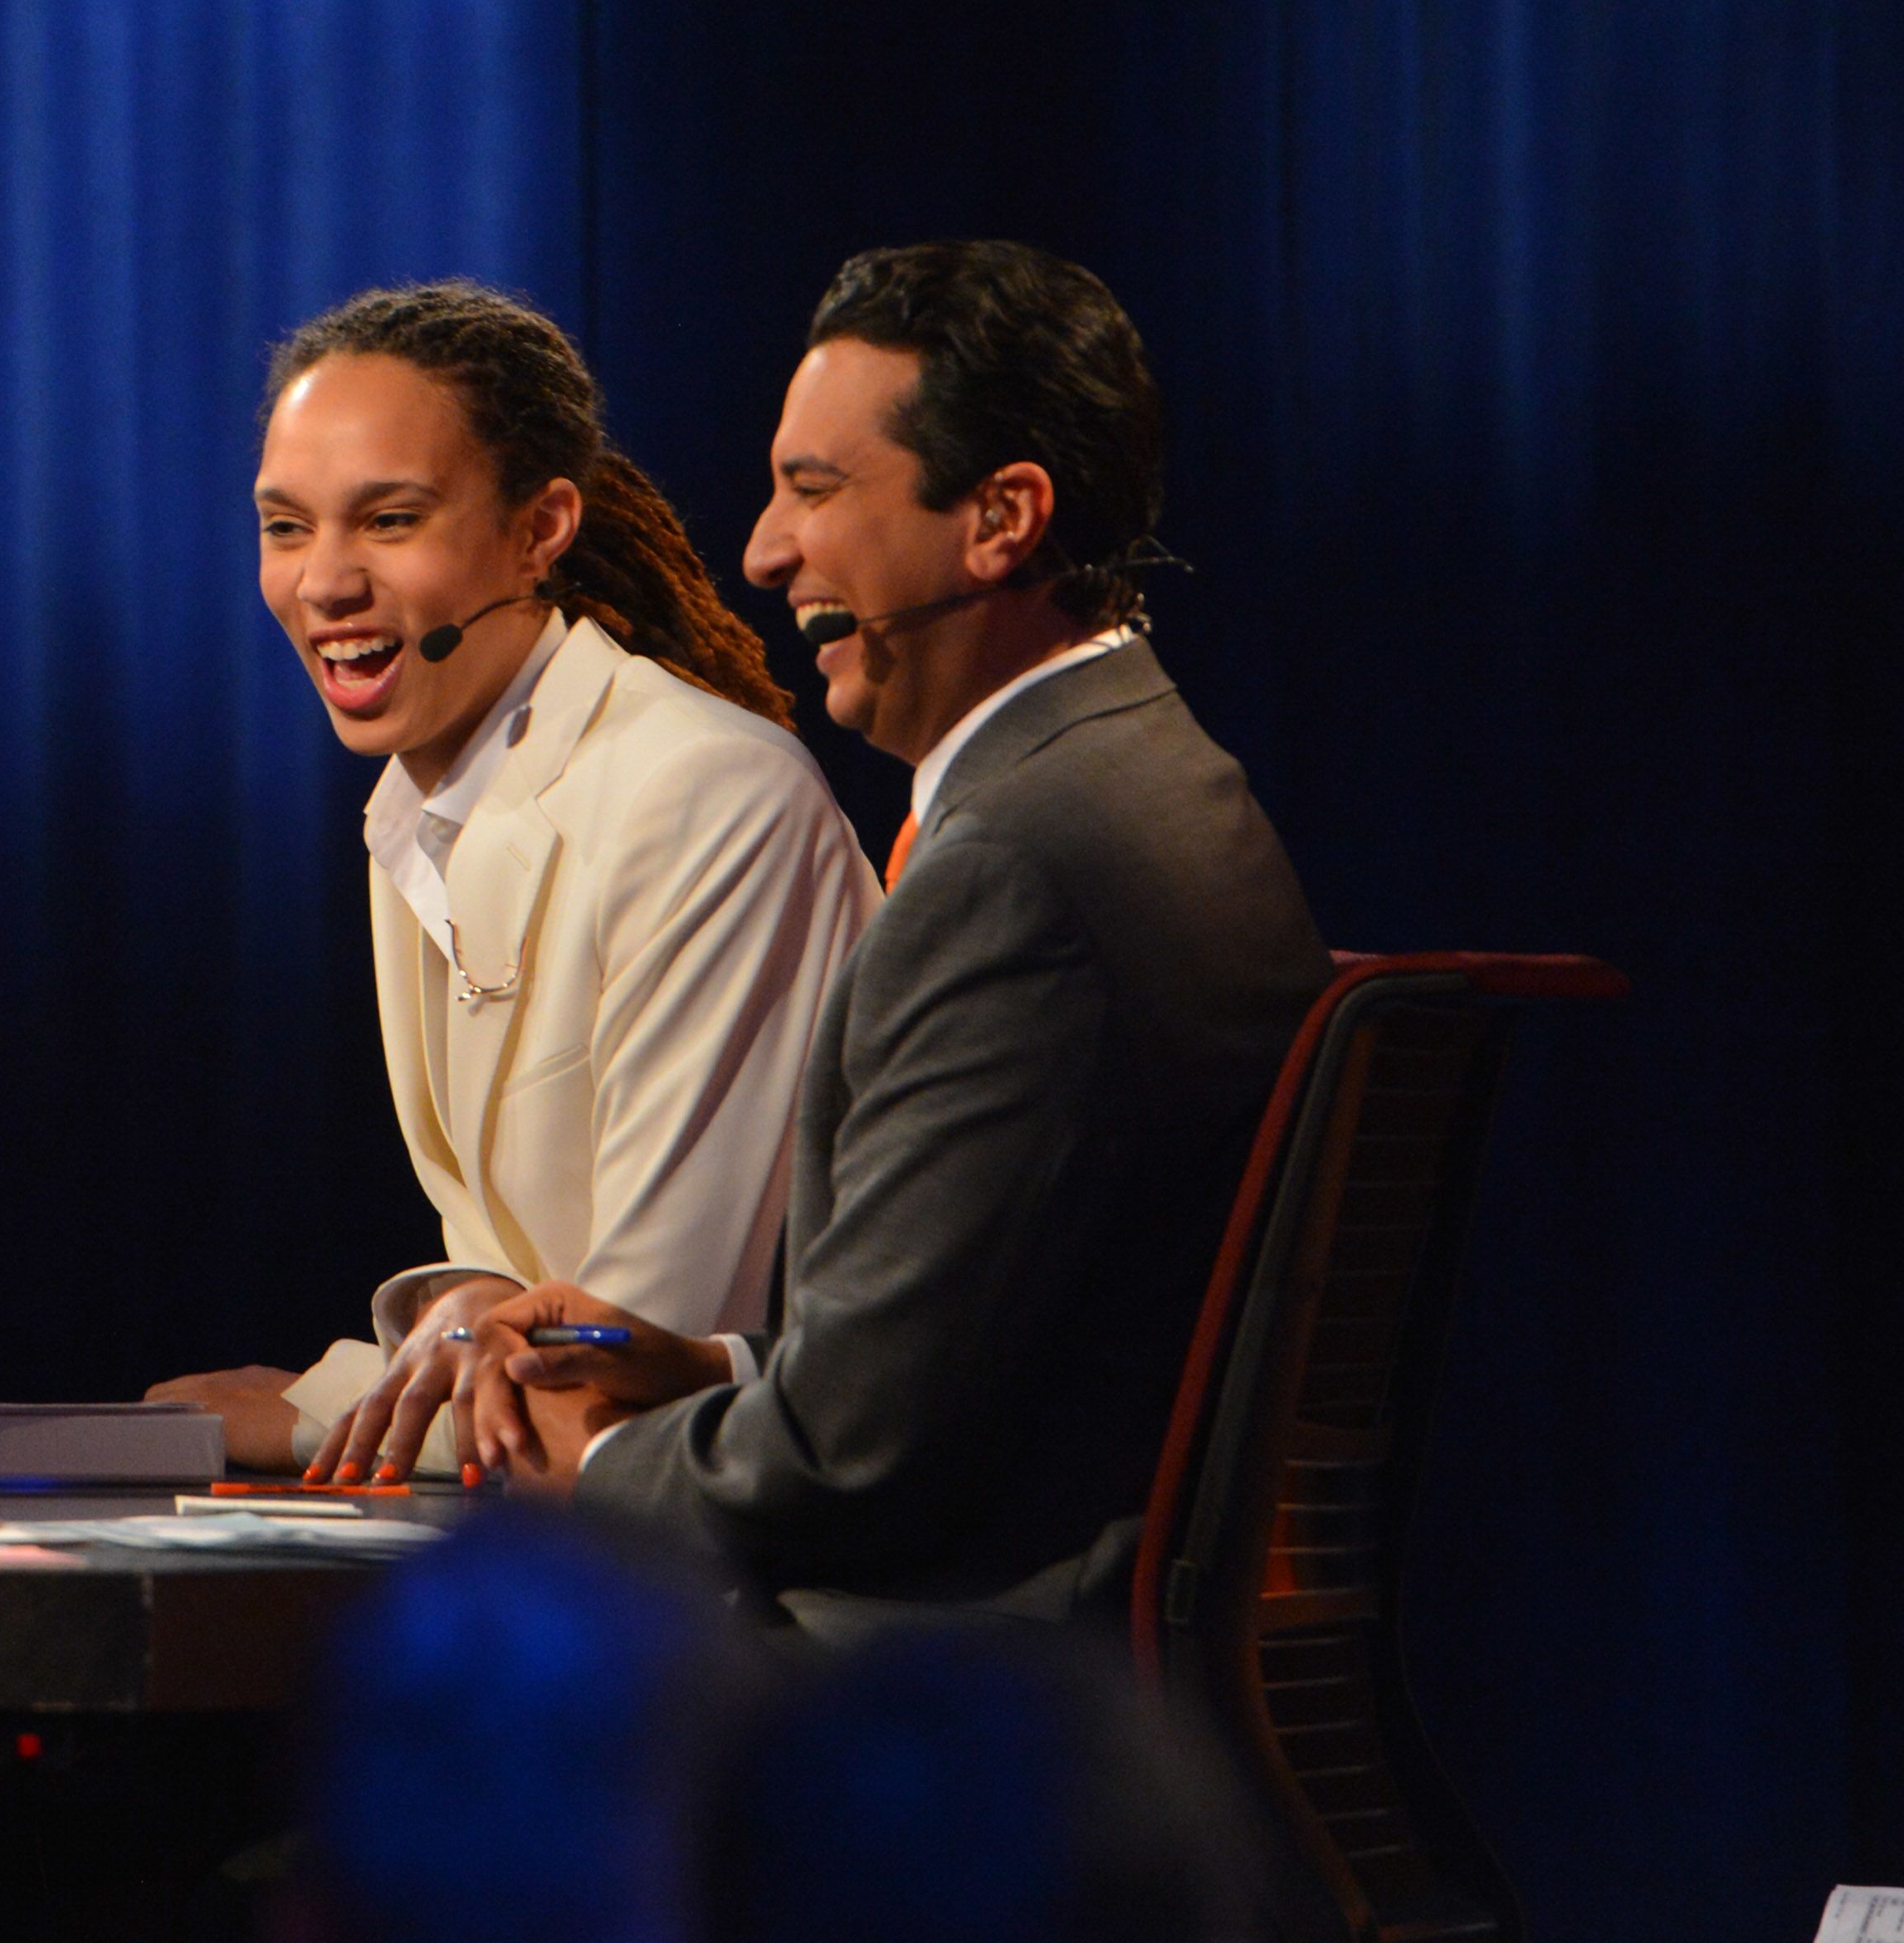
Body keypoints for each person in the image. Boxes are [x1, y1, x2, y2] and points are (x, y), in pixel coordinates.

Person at [464, 241, 1330, 1628]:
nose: (760, 550)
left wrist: (603, 1463)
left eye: (815, 491)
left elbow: (847, 1469)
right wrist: (712, 1371)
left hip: (944, 1714)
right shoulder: (1134, 780)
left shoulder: (1027, 869)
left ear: (1002, 519)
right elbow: (978, 1362)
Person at [146, 281, 876, 1481]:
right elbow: (510, 1293)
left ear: (540, 530)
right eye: (287, 527)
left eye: (389, 520)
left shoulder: (703, 794)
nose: (323, 582)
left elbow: (630, 1377)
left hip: (764, 1589)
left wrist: (334, 1405)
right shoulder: (419, 802)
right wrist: (453, 1316)